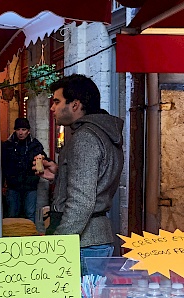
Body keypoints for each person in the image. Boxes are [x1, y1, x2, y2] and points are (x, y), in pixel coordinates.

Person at [36, 74, 123, 275]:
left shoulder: (85, 137)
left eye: (57, 101)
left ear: (75, 105)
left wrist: (59, 243)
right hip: (95, 239)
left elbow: (81, 201)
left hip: (83, 243)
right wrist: (60, 174)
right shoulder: (103, 133)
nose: (52, 108)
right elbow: (95, 181)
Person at [1, 117, 46, 222]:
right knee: (12, 214)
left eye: (23, 129)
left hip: (30, 185)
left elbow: (43, 160)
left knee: (30, 213)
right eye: (18, 129)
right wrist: (4, 183)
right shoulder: (8, 145)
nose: (20, 132)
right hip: (13, 185)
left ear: (28, 131)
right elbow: (3, 165)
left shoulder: (35, 145)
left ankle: (30, 237)